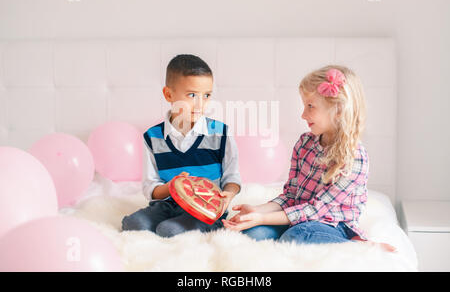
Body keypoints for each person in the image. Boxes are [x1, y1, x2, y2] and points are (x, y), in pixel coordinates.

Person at [223, 65, 396, 252]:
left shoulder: (354, 158)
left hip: (331, 225)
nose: (303, 114)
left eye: (310, 106)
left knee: (297, 236)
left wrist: (264, 218)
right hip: (295, 216)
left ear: (338, 110)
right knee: (253, 235)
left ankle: (358, 246)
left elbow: (317, 210)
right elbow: (291, 195)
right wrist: (258, 211)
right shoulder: (305, 143)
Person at [122, 54, 241, 237]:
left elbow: (232, 178)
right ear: (169, 94)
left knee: (169, 230)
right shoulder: (152, 137)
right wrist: (173, 186)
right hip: (167, 204)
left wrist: (228, 195)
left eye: (207, 95)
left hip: (205, 207)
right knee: (133, 223)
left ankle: (205, 226)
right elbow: (151, 188)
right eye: (192, 95)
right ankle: (173, 222)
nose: (200, 104)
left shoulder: (220, 133)